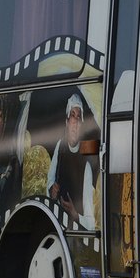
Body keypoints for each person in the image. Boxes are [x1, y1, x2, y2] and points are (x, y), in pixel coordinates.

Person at [47, 93, 96, 229]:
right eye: (72, 116)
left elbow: (91, 224)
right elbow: (50, 180)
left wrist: (75, 214)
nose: (75, 122)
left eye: (79, 117)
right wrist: (52, 190)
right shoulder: (60, 146)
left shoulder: (87, 155)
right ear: (67, 122)